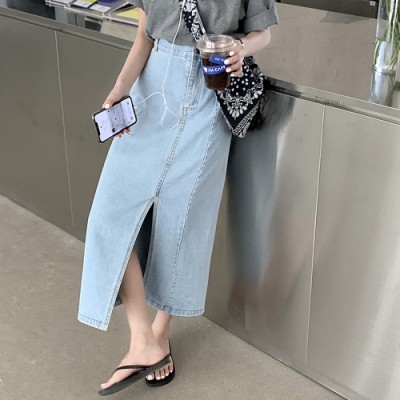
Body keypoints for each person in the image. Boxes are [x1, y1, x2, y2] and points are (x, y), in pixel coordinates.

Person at [77, 0, 278, 395]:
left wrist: (241, 48)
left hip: (209, 92)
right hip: (152, 90)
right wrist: (119, 89)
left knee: (182, 222)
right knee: (108, 217)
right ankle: (142, 339)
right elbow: (144, 32)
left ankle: (159, 335)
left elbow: (264, 34)